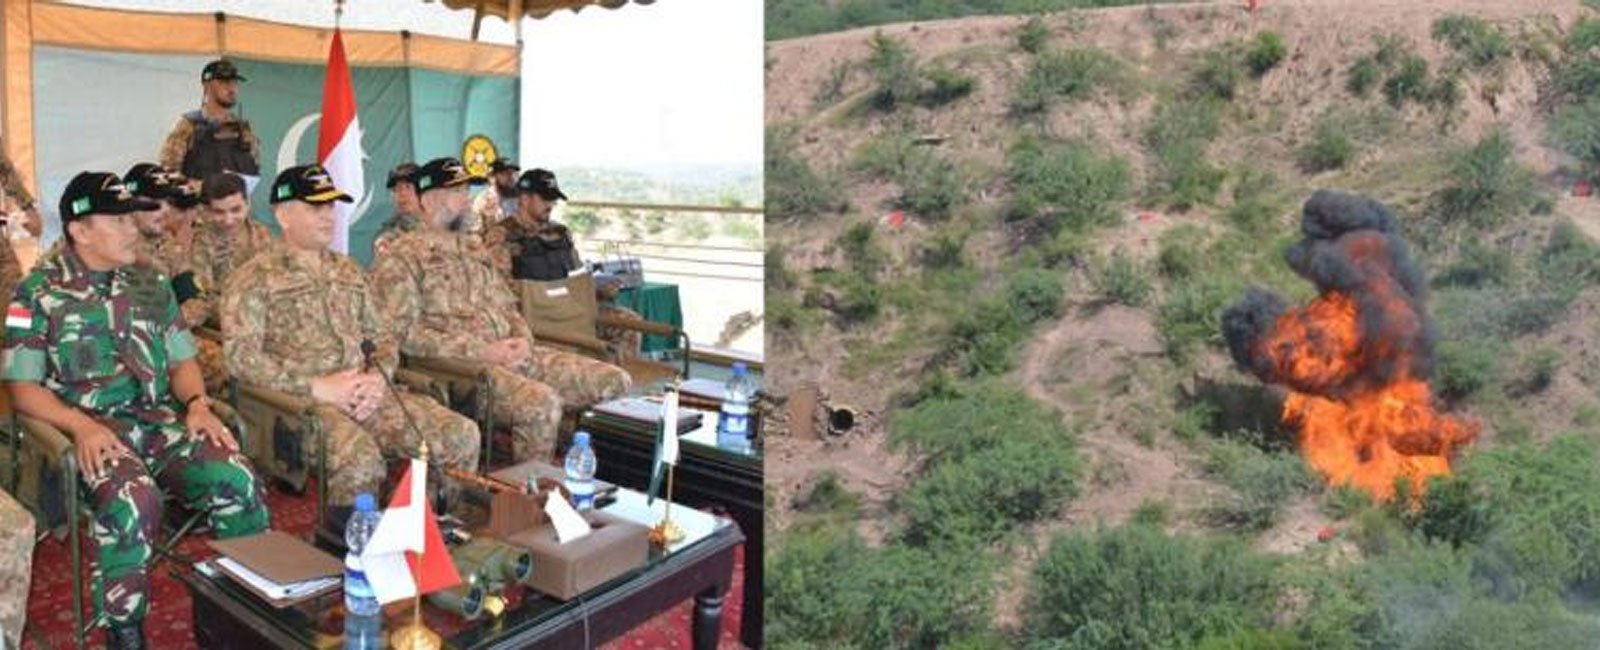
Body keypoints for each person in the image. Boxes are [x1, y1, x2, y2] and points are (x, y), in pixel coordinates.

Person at [4, 171, 269, 649]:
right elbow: (22, 389)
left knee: (237, 476)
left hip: (156, 423)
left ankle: (238, 611)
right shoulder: (39, 292)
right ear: (79, 229)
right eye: (120, 219)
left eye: (135, 216)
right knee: (134, 498)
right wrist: (78, 425)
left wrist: (197, 404)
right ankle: (125, 634)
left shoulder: (151, 281)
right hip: (84, 435)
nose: (135, 228)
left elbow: (183, 360)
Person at [221, 163, 480, 533]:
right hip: (301, 406)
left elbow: (384, 337)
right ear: (283, 214)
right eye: (315, 208)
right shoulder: (253, 278)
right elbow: (239, 358)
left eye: (331, 207)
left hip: (367, 394)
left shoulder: (349, 271)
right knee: (360, 459)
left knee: (460, 434)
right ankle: (345, 550)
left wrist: (377, 379)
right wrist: (318, 388)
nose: (328, 216)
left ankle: (418, 533)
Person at [371, 158, 631, 462]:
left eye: (467, 190)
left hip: (513, 354)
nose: (468, 200)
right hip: (463, 371)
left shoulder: (473, 248)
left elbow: (507, 306)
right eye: (458, 192)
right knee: (541, 403)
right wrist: (482, 351)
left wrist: (522, 340)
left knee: (615, 381)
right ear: (429, 200)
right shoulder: (401, 256)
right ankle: (529, 496)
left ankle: (606, 490)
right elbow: (401, 334)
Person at [158, 59, 260, 184]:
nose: (231, 88)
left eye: (234, 82)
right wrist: (195, 187)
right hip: (199, 202)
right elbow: (169, 169)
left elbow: (254, 168)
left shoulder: (243, 129)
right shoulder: (189, 125)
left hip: (235, 202)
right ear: (207, 86)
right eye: (224, 82)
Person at [373, 162, 424, 258]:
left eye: (408, 187)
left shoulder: (440, 222)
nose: (402, 194)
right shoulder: (390, 230)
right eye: (396, 189)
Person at [468, 157, 519, 237]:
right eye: (506, 174)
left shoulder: (520, 198)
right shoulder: (483, 200)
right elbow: (475, 232)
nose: (511, 177)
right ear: (494, 176)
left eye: (513, 173)